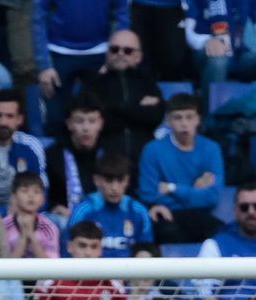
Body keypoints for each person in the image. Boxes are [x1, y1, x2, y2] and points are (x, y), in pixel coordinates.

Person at [31, 0, 128, 135]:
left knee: (103, 121)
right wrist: (44, 65)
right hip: (57, 54)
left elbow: (122, 13)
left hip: (100, 54)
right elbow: (38, 17)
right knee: (55, 122)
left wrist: (113, 56)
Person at [139, 93, 224, 244]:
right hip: (168, 214)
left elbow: (212, 196)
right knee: (164, 231)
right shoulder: (152, 150)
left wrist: (173, 188)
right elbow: (149, 194)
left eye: (189, 117)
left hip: (200, 214)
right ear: (168, 120)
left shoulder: (211, 149)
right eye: (178, 118)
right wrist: (194, 191)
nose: (184, 123)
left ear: (198, 119)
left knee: (222, 234)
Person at [82, 34, 163, 173]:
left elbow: (155, 116)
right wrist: (136, 109)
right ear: (107, 54)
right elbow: (99, 121)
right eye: (114, 49)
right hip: (108, 161)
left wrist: (114, 108)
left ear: (138, 56)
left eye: (127, 51)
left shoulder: (148, 82)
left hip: (146, 160)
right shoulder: (94, 84)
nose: (120, 54)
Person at [183, 0, 256, 100]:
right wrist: (206, 41)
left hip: (238, 56)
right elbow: (187, 34)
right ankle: (210, 115)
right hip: (204, 56)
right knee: (218, 60)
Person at [43, 92, 118, 220]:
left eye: (92, 121)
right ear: (69, 124)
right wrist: (54, 207)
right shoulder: (53, 155)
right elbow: (44, 195)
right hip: (66, 219)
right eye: (79, 121)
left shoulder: (111, 154)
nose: (86, 128)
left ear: (101, 123)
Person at [68, 154, 153, 258]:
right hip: (93, 272)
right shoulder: (82, 211)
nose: (114, 188)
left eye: (120, 180)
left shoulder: (139, 211)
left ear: (127, 181)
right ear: (97, 180)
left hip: (128, 272)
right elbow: (69, 250)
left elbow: (147, 247)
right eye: (108, 181)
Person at [2, 171, 59, 259]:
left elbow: (51, 267)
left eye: (36, 192)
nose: (31, 196)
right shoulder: (2, 227)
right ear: (14, 197)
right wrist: (23, 238)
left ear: (42, 199)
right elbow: (2, 266)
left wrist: (32, 237)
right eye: (24, 191)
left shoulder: (49, 228)